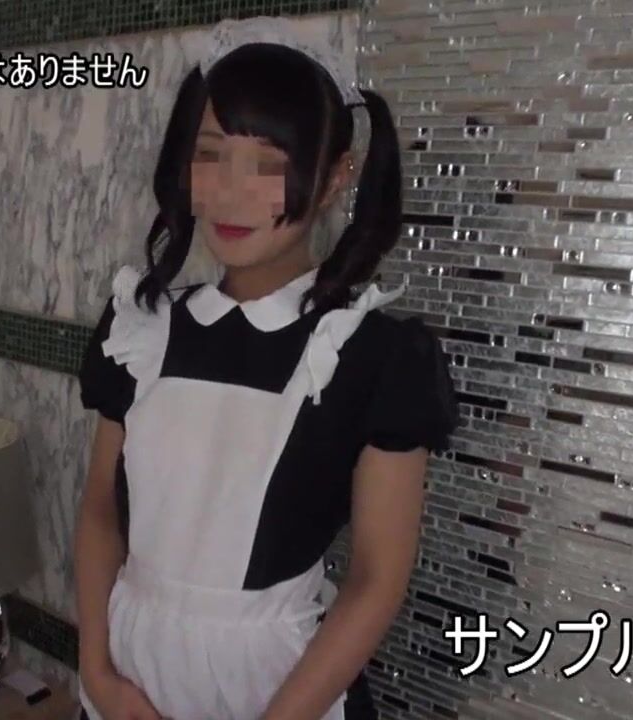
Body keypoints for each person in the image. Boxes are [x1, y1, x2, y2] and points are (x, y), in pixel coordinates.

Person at [73, 16, 459, 720]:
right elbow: (100, 509)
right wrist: (98, 673)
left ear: (335, 176)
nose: (230, 192)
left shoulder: (374, 354)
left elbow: (376, 578)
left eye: (268, 164)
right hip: (128, 676)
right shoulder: (139, 326)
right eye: (211, 155)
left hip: (282, 688)